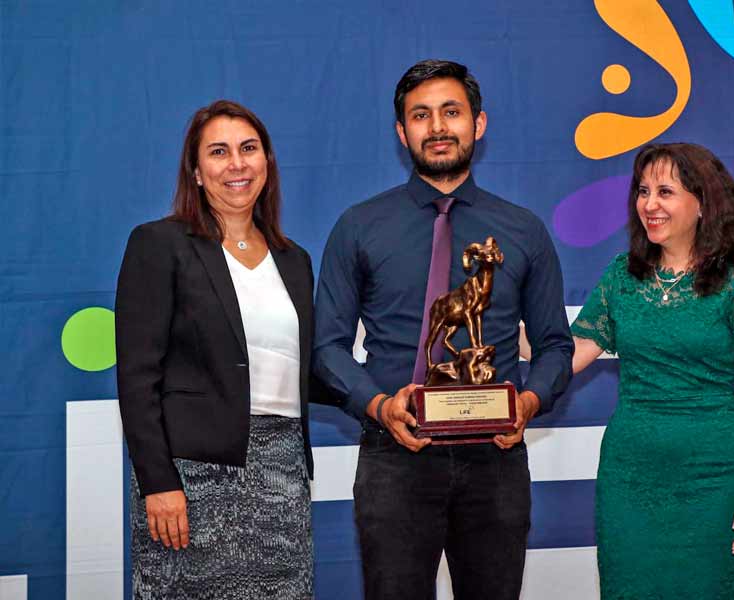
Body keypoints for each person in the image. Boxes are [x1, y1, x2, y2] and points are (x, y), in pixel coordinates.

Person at [313, 59, 573, 600]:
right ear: (401, 131)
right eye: (421, 115)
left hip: (496, 457)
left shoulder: (522, 230)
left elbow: (554, 345)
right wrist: (380, 405)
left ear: (478, 123)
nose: (437, 127)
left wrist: (528, 402)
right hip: (395, 455)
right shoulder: (359, 226)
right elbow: (328, 348)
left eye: (450, 112)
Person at [116, 99, 317, 599]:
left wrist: (382, 395)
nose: (237, 164)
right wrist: (157, 483)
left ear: (267, 163)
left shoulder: (295, 261)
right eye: (219, 152)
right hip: (189, 479)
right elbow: (138, 377)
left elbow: (302, 368)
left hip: (282, 476)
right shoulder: (159, 244)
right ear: (197, 171)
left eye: (249, 149)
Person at [569, 142, 734, 598]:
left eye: (665, 191)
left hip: (715, 476)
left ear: (702, 202)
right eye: (643, 192)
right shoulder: (622, 275)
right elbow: (572, 351)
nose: (649, 204)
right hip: (630, 479)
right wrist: (503, 326)